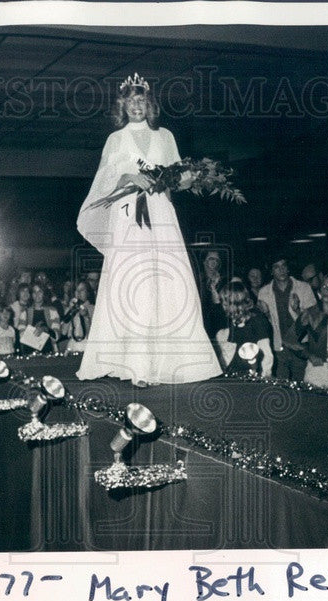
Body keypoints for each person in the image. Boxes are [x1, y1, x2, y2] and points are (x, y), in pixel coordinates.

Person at [76, 72, 221, 387]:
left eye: (141, 100)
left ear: (149, 104)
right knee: (132, 279)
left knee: (166, 279)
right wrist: (129, 178)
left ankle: (170, 362)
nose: (136, 107)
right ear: (122, 106)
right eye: (130, 102)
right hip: (128, 214)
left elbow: (177, 177)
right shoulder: (116, 139)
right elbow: (103, 182)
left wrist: (191, 177)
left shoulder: (165, 136)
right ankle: (135, 365)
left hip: (160, 213)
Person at [256, 257, 316, 380]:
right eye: (276, 267)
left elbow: (314, 321)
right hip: (278, 347)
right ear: (271, 271)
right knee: (281, 388)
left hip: (300, 346)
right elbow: (265, 325)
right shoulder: (263, 292)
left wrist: (297, 310)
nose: (281, 270)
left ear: (288, 268)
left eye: (284, 266)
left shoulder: (304, 288)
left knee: (301, 385)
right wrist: (266, 314)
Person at [285, 275, 328, 389]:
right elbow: (289, 339)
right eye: (323, 286)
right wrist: (310, 355)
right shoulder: (311, 313)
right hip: (316, 369)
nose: (325, 290)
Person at [214, 280, 274, 376]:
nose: (223, 306)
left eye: (225, 302)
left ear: (236, 302)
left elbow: (267, 355)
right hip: (233, 377)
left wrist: (265, 378)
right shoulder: (231, 322)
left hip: (253, 378)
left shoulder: (258, 321)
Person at [60, 281, 95, 353]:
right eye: (76, 290)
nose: (78, 293)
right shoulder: (70, 308)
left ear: (87, 293)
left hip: (87, 344)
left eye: (82, 290)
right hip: (72, 344)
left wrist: (86, 316)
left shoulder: (93, 308)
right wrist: (70, 311)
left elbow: (91, 335)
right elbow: (63, 332)